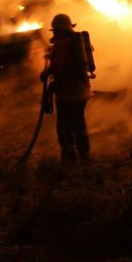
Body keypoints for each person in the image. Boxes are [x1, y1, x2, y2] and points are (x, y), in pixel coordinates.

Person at [40, 13, 93, 163]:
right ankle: (84, 154)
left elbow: (60, 67)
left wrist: (48, 75)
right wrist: (47, 73)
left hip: (66, 93)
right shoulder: (76, 42)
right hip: (81, 92)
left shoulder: (60, 46)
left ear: (56, 29)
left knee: (64, 125)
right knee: (79, 122)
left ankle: (69, 158)